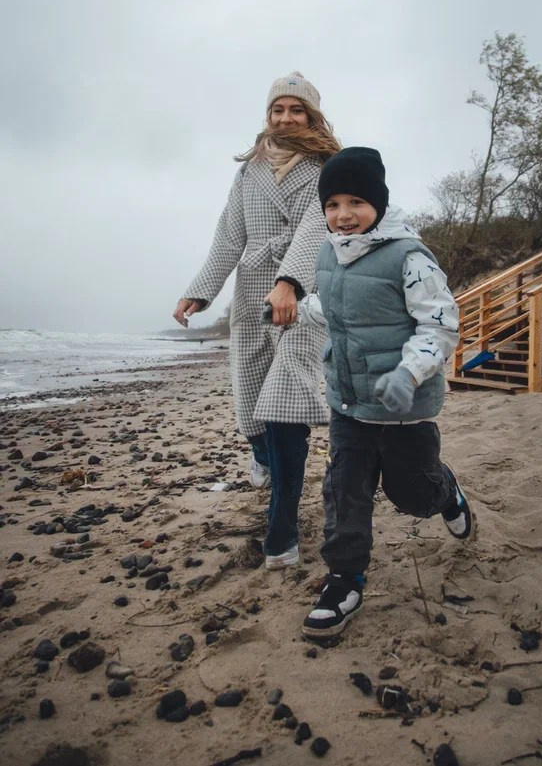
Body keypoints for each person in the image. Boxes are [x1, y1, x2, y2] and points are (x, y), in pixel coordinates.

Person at [296, 147, 473, 638]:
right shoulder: (328, 252)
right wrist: (295, 311)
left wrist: (408, 373)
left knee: (412, 493)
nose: (343, 215)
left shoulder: (409, 258)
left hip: (402, 409)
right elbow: (333, 308)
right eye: (333, 204)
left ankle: (446, 491)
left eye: (356, 201)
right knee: (343, 491)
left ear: (378, 202)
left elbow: (440, 325)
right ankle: (344, 580)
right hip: (349, 403)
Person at [173, 71, 340, 569]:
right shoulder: (249, 172)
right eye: (277, 109)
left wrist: (291, 282)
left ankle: (282, 529)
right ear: (268, 115)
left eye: (296, 110)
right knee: (251, 407)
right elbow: (230, 233)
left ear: (312, 116)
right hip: (251, 296)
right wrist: (200, 290)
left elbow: (317, 225)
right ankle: (263, 456)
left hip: (306, 296)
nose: (286, 118)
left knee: (287, 404)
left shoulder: (327, 167)